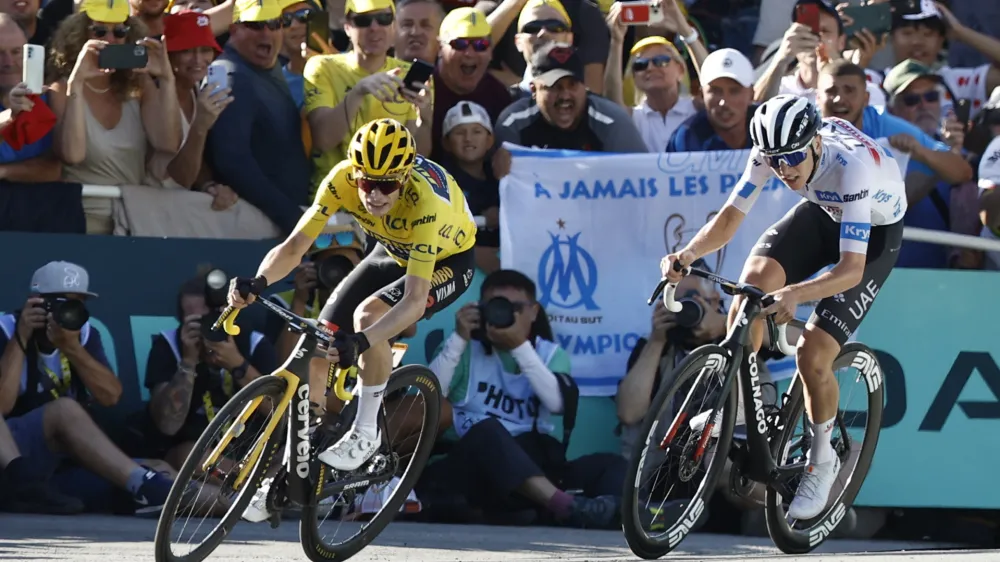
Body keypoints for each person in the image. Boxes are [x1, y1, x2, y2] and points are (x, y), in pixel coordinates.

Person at [660, 94, 907, 520]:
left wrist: (796, 294)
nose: (784, 169)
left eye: (792, 157)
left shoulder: (852, 170)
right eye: (775, 161)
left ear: (814, 144)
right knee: (749, 294)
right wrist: (686, 254)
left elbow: (850, 270)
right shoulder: (771, 150)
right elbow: (730, 217)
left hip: (874, 233)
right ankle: (731, 404)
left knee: (814, 355)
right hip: (822, 212)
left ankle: (821, 461)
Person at [229, 117, 477, 522]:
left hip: (446, 261)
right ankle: (292, 473)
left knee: (368, 317)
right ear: (354, 173)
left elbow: (414, 301)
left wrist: (361, 342)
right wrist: (258, 281)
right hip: (392, 250)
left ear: (405, 177)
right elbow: (295, 247)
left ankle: (365, 431)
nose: (375, 195)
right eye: (367, 184)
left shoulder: (427, 202)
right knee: (319, 344)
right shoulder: (342, 178)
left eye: (387, 185)